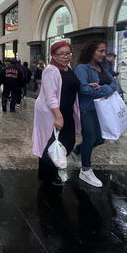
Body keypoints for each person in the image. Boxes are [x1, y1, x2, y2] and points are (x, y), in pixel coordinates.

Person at [33, 41, 80, 186]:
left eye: (68, 53)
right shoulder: (51, 70)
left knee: (68, 142)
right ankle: (49, 176)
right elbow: (50, 95)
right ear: (53, 55)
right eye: (61, 54)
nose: (65, 57)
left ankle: (51, 170)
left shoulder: (67, 68)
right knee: (50, 143)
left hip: (67, 111)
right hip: (52, 113)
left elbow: (72, 85)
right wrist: (58, 116)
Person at [73, 40, 117, 188]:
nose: (104, 54)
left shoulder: (102, 67)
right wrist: (107, 90)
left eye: (104, 51)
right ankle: (85, 170)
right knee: (90, 138)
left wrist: (103, 89)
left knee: (100, 139)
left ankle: (78, 149)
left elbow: (114, 84)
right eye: (101, 51)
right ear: (92, 51)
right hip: (88, 109)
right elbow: (84, 89)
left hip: (102, 110)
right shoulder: (82, 68)